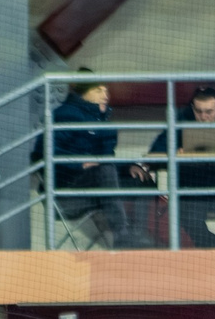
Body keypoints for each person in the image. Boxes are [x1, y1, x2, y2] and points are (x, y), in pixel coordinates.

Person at [50, 76, 154, 249]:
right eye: (98, 90)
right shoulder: (64, 114)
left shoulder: (104, 122)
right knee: (104, 171)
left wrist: (130, 166)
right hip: (68, 193)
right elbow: (43, 152)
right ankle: (121, 235)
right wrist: (79, 163)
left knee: (141, 177)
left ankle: (136, 237)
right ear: (83, 94)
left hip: (98, 188)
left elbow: (106, 161)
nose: (105, 93)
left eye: (106, 89)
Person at [149, 86, 215, 248]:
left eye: (208, 112)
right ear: (192, 108)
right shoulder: (180, 121)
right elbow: (157, 149)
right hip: (192, 192)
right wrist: (175, 152)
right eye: (198, 111)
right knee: (187, 215)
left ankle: (211, 249)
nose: (203, 117)